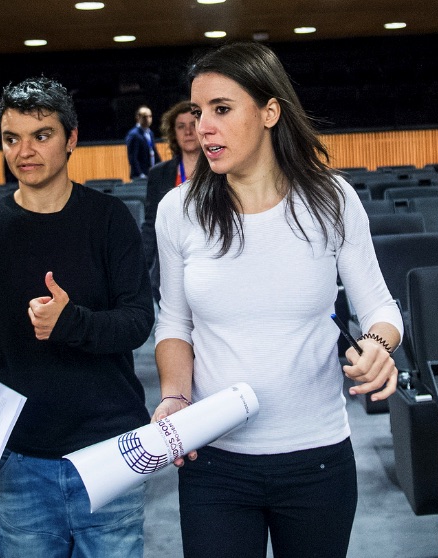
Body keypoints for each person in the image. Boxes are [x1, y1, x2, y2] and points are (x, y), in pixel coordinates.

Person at [152, 42, 403, 558]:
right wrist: (175, 398)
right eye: (199, 113)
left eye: (222, 109)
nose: (204, 127)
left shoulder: (331, 200)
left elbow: (380, 308)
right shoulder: (179, 210)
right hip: (215, 462)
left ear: (270, 112)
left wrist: (378, 346)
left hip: (316, 458)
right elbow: (174, 324)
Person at [0, 76, 154, 558]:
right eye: (12, 138)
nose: (24, 151)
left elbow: (138, 322)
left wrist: (70, 321)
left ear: (71, 139)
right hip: (19, 458)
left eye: (41, 135)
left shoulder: (110, 219)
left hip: (110, 449)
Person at [141, 100, 200, 302]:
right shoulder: (159, 174)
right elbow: (151, 224)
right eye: (181, 126)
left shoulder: (220, 170)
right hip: (169, 266)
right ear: (173, 133)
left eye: (194, 124)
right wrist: (141, 268)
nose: (188, 132)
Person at [125, 105, 162, 179]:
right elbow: (133, 157)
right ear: (138, 118)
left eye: (150, 116)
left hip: (150, 173)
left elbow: (153, 151)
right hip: (140, 176)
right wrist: (140, 174)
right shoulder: (134, 134)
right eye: (145, 117)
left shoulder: (150, 133)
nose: (148, 119)